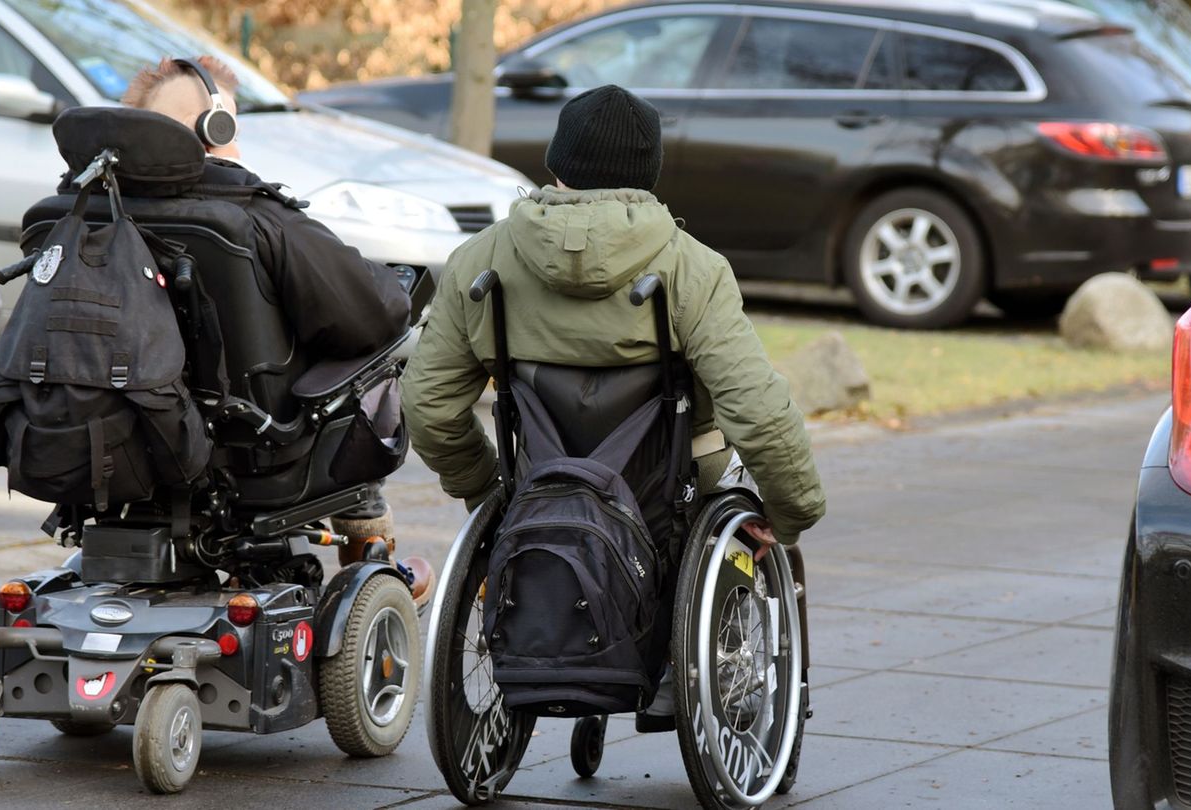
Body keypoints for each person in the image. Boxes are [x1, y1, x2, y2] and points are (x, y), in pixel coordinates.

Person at [402, 84, 826, 721]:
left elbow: (428, 403)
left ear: (556, 166)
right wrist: (790, 513)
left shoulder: (480, 263)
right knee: (745, 506)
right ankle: (720, 677)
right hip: (677, 485)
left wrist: (484, 490)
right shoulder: (694, 269)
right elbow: (757, 411)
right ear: (648, 178)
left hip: (537, 480)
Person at [123, 57, 428, 594]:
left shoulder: (86, 214)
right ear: (215, 128)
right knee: (370, 373)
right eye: (230, 123)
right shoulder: (255, 216)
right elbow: (372, 314)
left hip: (124, 447)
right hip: (256, 455)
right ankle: (370, 566)